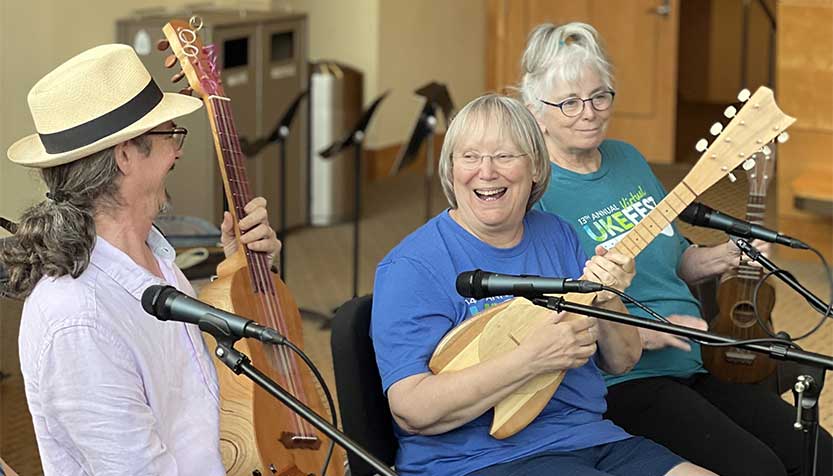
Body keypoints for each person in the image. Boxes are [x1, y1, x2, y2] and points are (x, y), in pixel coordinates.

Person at [520, 22, 832, 476]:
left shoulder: (627, 159)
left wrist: (724, 256)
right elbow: (546, 313)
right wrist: (645, 333)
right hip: (622, 382)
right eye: (569, 102)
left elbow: (674, 256)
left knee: (817, 453)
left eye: (600, 96)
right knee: (757, 467)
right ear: (535, 110)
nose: (588, 113)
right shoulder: (537, 191)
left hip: (697, 359)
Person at [371, 94, 716, 476]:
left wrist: (607, 298)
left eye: (504, 156)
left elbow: (622, 360)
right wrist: (529, 359)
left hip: (590, 438)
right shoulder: (413, 266)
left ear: (536, 166)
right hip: (479, 461)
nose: (486, 172)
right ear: (451, 169)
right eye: (469, 157)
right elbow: (412, 410)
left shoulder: (557, 235)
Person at [0, 44, 280, 475]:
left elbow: (194, 382)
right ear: (125, 155)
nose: (178, 152)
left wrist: (241, 269)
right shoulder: (77, 320)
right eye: (171, 135)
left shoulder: (152, 253)